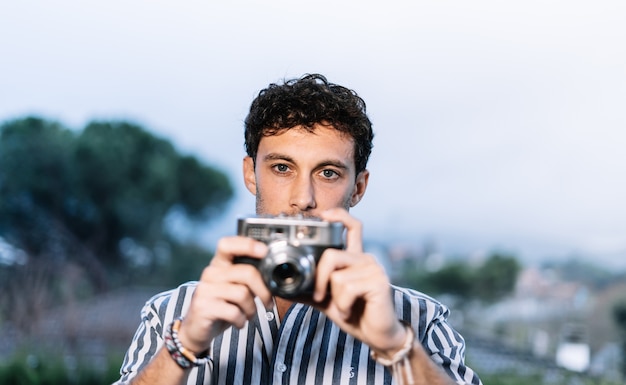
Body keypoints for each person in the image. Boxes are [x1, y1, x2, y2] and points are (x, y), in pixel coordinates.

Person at [114, 74, 482, 385]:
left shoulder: (416, 318)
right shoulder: (172, 313)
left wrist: (397, 347)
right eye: (282, 168)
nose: (302, 199)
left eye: (328, 173)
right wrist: (187, 344)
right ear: (250, 174)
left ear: (358, 187)